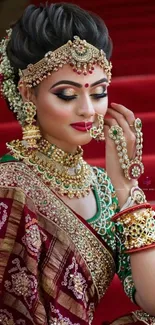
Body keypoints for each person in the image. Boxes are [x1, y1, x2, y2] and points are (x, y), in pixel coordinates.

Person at [0, 2, 155, 325]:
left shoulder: (104, 187)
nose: (87, 110)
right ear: (28, 95)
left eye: (99, 93)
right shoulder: (8, 187)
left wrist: (127, 189)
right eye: (67, 95)